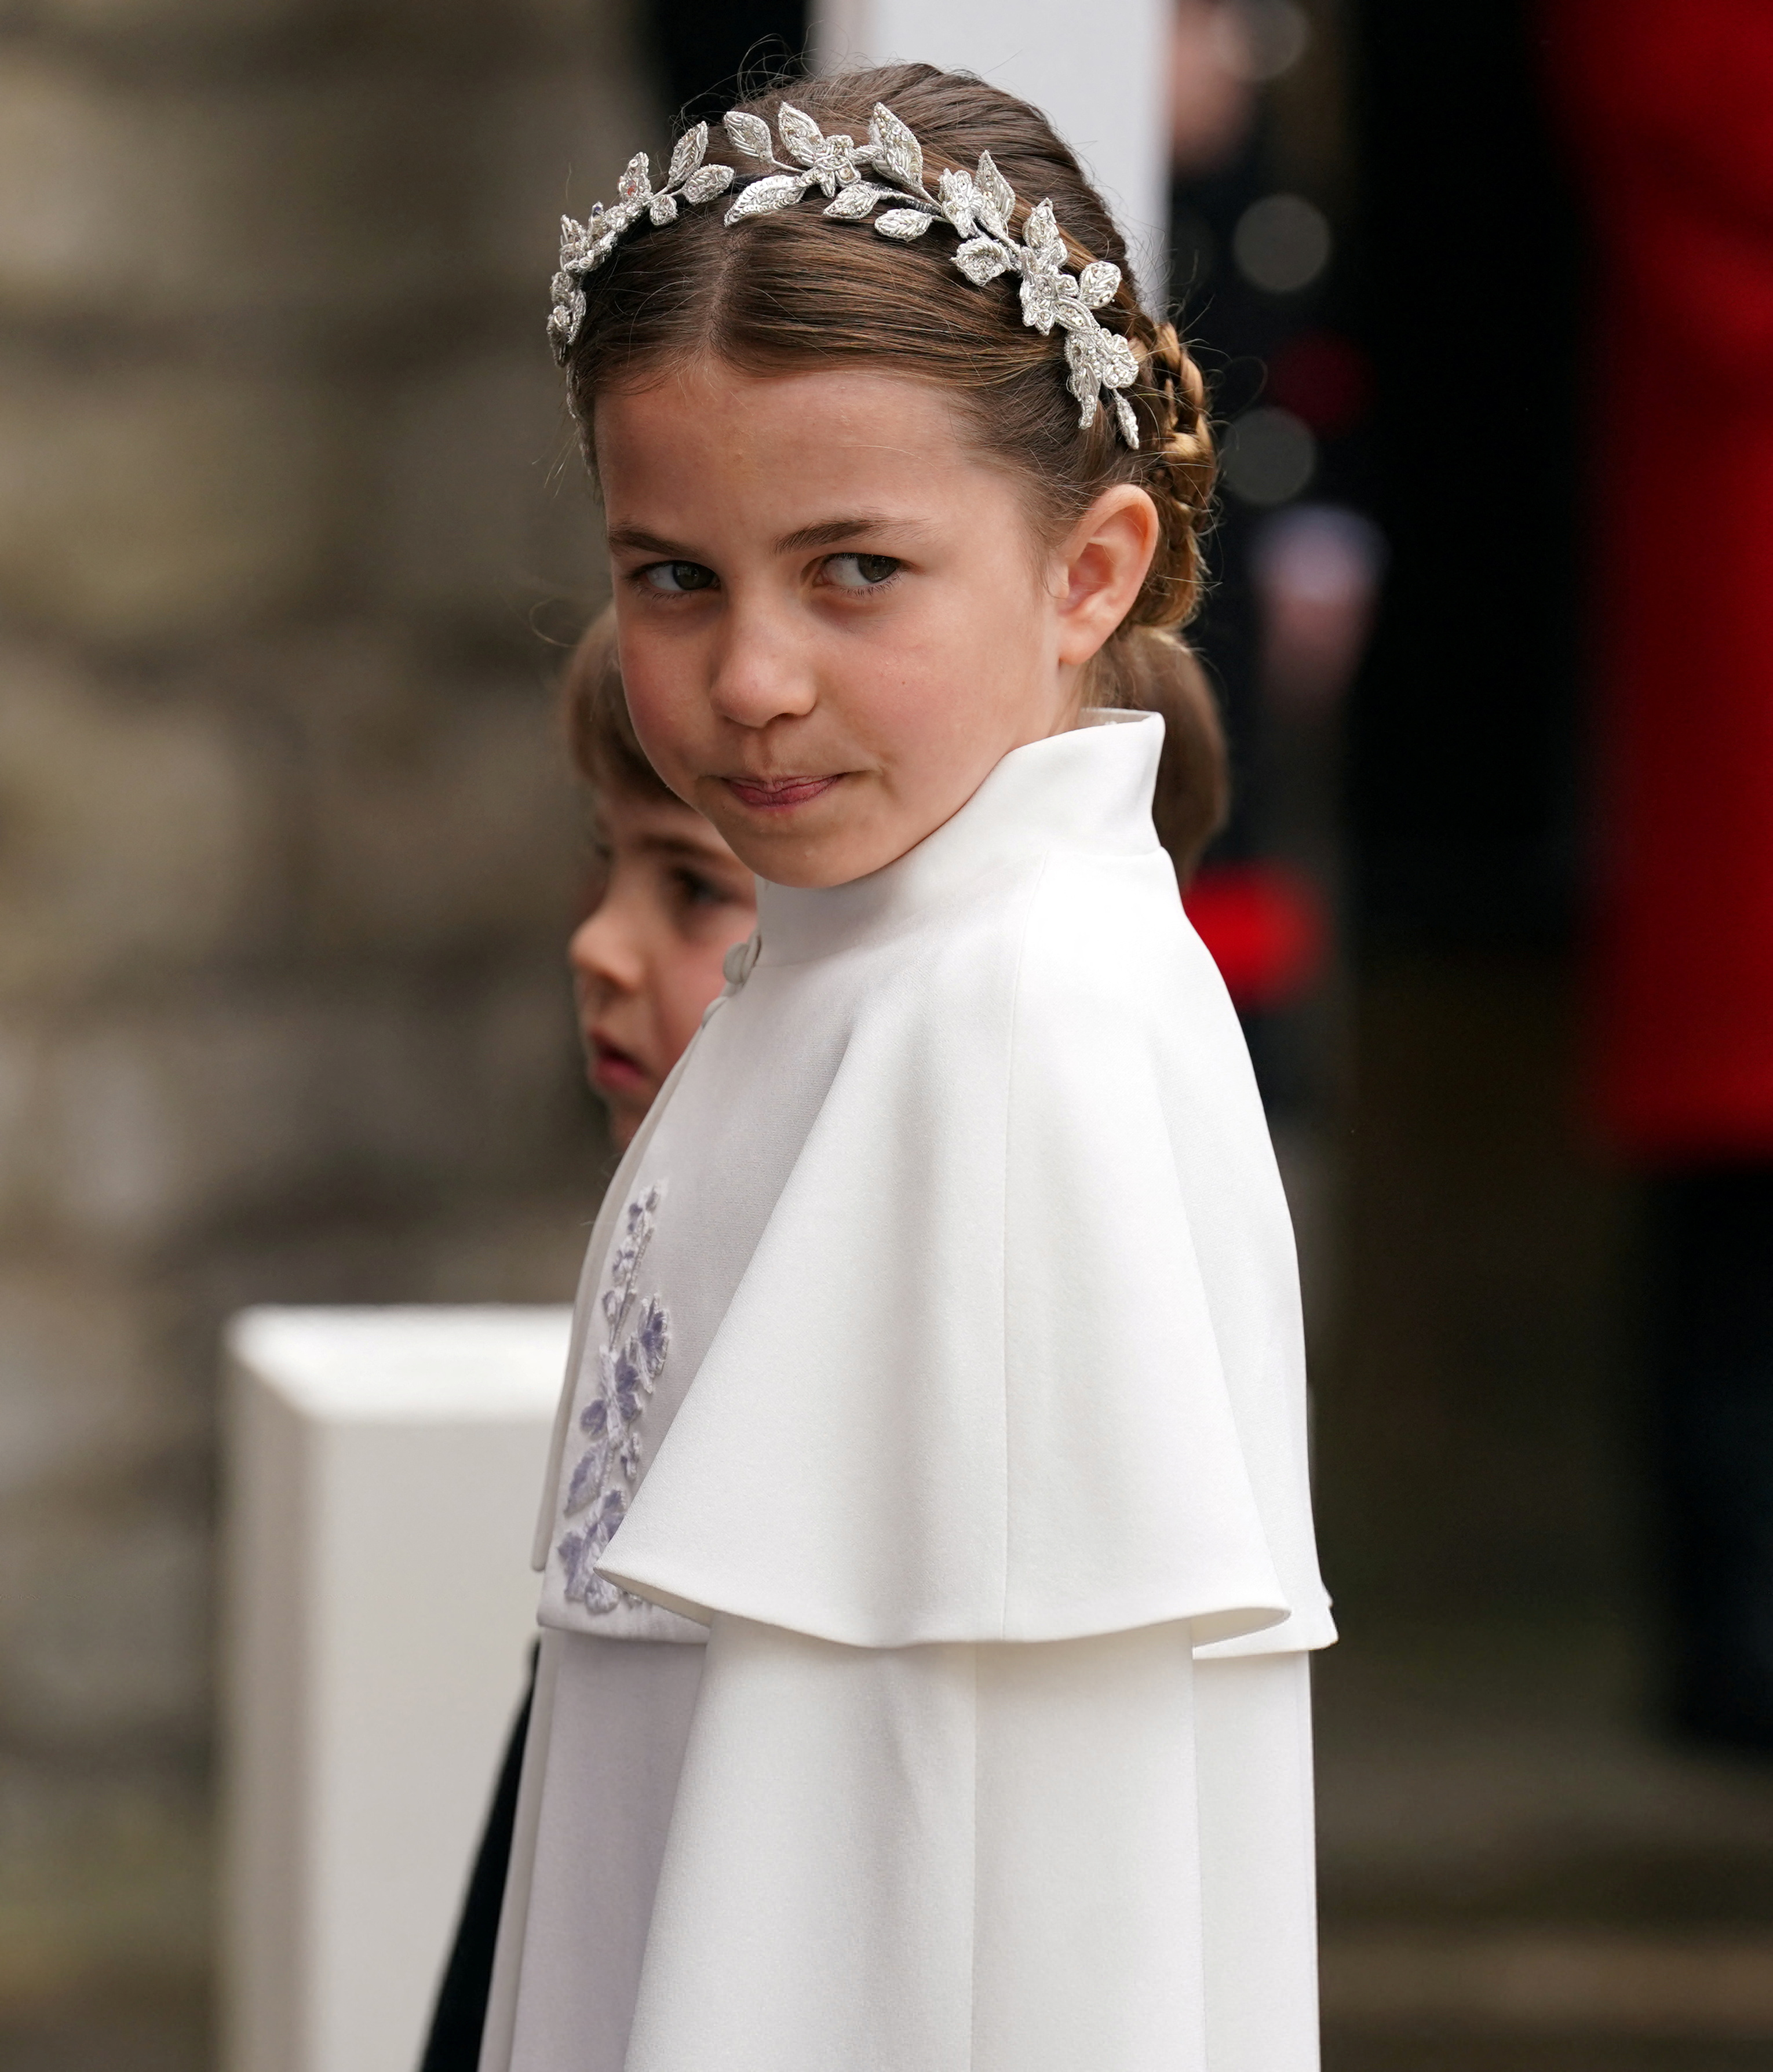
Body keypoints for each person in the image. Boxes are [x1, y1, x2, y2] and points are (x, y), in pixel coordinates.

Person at [480, 64, 1333, 2072]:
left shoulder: (1012, 1030)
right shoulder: (858, 968)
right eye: (672, 576)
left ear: (1087, 572)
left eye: (853, 570)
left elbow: (995, 1872)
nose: (749, 679)